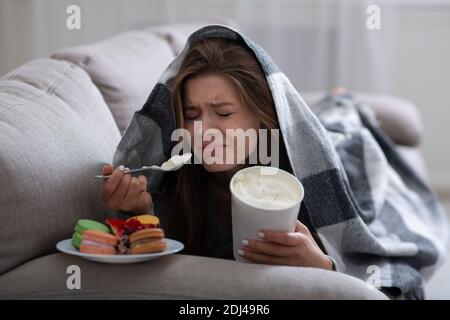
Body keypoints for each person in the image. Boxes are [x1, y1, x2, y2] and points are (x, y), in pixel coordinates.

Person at [100, 37, 333, 270]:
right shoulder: (179, 183)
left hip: (341, 136)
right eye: (192, 115)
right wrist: (136, 211)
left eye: (223, 113)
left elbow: (360, 272)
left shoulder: (306, 182)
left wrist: (323, 266)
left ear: (263, 116)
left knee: (342, 116)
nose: (202, 132)